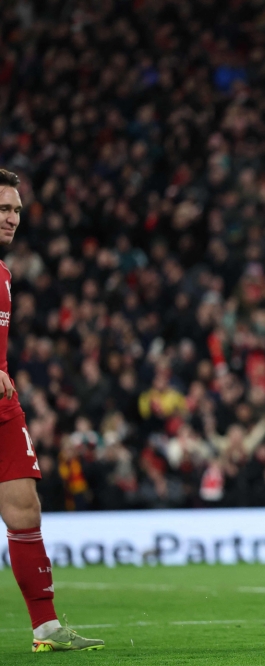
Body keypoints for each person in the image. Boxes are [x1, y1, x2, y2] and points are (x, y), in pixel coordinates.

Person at [0, 169, 104, 652]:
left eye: (17, 210)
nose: (12, 218)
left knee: (25, 510)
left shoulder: (2, 274)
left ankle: (46, 629)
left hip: (3, 406)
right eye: (3, 208)